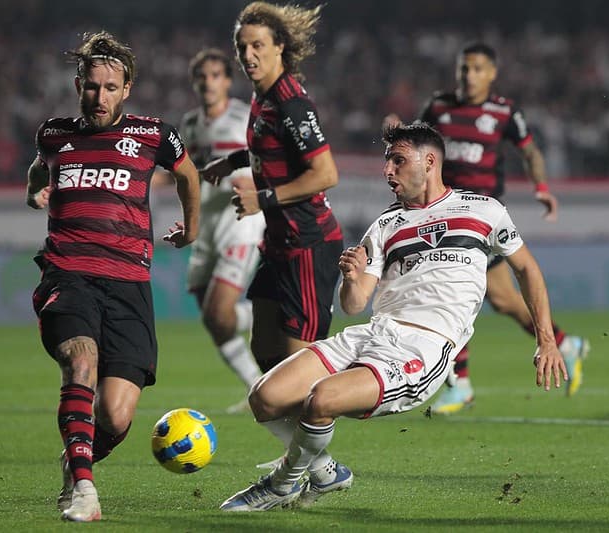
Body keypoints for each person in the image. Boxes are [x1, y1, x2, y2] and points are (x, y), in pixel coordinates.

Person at [218, 123, 568, 511]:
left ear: (429, 161)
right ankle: (326, 473)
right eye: (387, 161)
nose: (388, 170)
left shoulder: (485, 210)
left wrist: (546, 340)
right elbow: (354, 304)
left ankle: (281, 485)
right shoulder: (386, 225)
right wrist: (352, 278)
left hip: (424, 346)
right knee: (264, 397)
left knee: (322, 399)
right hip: (373, 332)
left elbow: (526, 269)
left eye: (398, 161)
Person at [27, 31, 200, 522]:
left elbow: (188, 174)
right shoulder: (54, 134)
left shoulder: (154, 135)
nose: (99, 97)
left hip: (128, 285)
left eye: (109, 88)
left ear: (126, 89)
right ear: (78, 85)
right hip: (67, 274)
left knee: (117, 416)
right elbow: (39, 170)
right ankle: (85, 490)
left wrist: (192, 229)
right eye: (91, 86)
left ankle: (75, 459)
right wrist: (33, 193)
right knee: (81, 359)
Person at [385, 42, 589, 413]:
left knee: (452, 288)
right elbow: (415, 143)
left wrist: (542, 187)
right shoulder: (438, 106)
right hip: (445, 213)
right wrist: (398, 132)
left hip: (481, 218)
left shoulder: (504, 112)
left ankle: (460, 383)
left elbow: (530, 151)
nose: (469, 75)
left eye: (477, 69)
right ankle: (564, 343)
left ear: (492, 74)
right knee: (502, 299)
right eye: (464, 68)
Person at [200, 2, 343, 380]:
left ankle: (349, 398)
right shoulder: (261, 97)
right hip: (279, 242)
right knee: (265, 351)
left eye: (257, 46)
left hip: (308, 244)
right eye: (242, 47)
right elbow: (269, 147)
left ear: (279, 46)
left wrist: (262, 199)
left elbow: (326, 173)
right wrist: (230, 163)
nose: (248, 55)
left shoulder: (290, 103)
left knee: (299, 374)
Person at [179, 48, 264, 413]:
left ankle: (268, 314)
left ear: (228, 81)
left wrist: (254, 183)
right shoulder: (190, 124)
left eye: (215, 75)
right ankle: (256, 386)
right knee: (212, 316)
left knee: (218, 313)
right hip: (207, 224)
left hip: (239, 222)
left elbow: (265, 161)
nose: (208, 82)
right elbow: (188, 173)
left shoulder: (244, 117)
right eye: (202, 76)